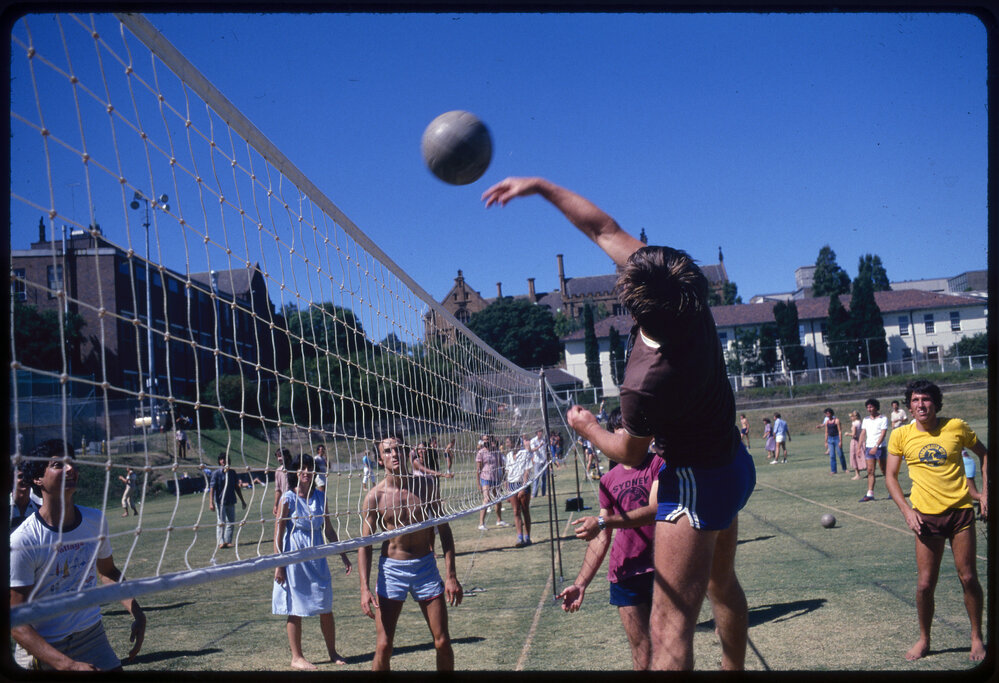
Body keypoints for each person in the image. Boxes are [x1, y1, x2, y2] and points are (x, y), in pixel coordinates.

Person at [484, 176, 755, 671]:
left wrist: (585, 426)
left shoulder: (644, 380)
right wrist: (541, 187)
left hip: (694, 482)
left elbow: (630, 453)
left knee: (668, 630)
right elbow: (603, 227)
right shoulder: (687, 292)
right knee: (721, 583)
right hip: (734, 463)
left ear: (632, 306)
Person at [10, 440, 146, 671]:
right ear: (37, 479)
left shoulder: (94, 520)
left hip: (91, 635)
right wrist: (68, 665)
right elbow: (16, 622)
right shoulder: (24, 540)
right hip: (44, 646)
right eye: (57, 464)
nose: (70, 468)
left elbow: (108, 572)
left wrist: (137, 612)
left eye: (71, 463)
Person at [884, 379, 988, 662]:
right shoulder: (900, 435)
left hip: (960, 514)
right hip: (925, 518)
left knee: (968, 577)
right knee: (924, 585)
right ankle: (924, 639)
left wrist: (986, 493)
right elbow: (890, 477)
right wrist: (907, 511)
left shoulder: (956, 426)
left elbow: (985, 454)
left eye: (926, 399)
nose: (921, 405)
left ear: (936, 403)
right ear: (908, 406)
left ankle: (976, 637)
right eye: (915, 400)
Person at [557, 409, 666, 670]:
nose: (622, 437)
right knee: (642, 650)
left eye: (628, 431)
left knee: (668, 646)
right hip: (625, 573)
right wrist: (580, 584)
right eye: (617, 431)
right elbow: (601, 536)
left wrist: (604, 521)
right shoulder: (607, 480)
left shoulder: (658, 464)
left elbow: (654, 511)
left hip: (661, 569)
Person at [358, 436, 463, 671]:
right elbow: (365, 545)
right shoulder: (375, 496)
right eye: (387, 451)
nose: (393, 454)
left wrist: (451, 575)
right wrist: (364, 588)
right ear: (380, 458)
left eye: (397, 449)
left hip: (424, 567)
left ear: (406, 452)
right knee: (384, 646)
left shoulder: (425, 486)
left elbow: (444, 530)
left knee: (443, 641)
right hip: (392, 570)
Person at [273, 452, 352, 670]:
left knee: (325, 606)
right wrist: (279, 565)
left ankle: (332, 652)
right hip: (295, 559)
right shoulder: (287, 498)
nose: (306, 472)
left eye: (309, 468)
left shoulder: (320, 497)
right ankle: (297, 657)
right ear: (294, 472)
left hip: (317, 559)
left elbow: (329, 529)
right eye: (302, 468)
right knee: (295, 608)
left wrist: (343, 555)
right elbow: (278, 534)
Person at [209, 452, 247, 548]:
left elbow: (236, 488)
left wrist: (242, 500)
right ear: (219, 461)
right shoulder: (216, 473)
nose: (224, 461)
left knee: (231, 522)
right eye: (222, 459)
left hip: (231, 501)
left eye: (225, 459)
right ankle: (220, 542)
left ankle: (228, 541)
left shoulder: (233, 473)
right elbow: (212, 488)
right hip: (220, 502)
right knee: (221, 522)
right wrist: (211, 502)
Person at [503, 435, 534, 547]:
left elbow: (527, 471)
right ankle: (519, 537)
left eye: (508, 442)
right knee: (516, 511)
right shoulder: (508, 456)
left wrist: (523, 487)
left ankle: (527, 537)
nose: (506, 444)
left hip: (522, 484)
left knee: (525, 510)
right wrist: (507, 490)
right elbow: (507, 474)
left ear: (514, 443)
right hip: (512, 485)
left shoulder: (524, 453)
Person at [858, 398, 888, 502]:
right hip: (869, 448)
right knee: (870, 471)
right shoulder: (866, 420)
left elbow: (883, 433)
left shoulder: (883, 418)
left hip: (880, 448)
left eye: (871, 407)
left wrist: (876, 446)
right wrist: (859, 447)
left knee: (885, 471)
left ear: (876, 407)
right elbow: (863, 433)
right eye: (867, 407)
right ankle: (870, 494)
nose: (869, 409)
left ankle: (892, 492)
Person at [475, 436, 508, 530]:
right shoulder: (481, 452)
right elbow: (478, 470)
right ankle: (481, 523)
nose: (486, 441)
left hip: (496, 478)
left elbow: (502, 466)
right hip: (485, 478)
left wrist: (504, 480)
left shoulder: (497, 452)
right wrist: (478, 484)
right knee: (486, 499)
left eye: (487, 439)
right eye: (484, 440)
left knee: (498, 498)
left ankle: (499, 520)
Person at [10, 461, 42, 530]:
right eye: (20, 476)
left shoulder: (40, 511)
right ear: (12, 480)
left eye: (27, 476)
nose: (24, 479)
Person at [816, 408, 847, 474]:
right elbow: (826, 432)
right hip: (830, 439)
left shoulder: (836, 420)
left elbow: (840, 431)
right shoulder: (827, 422)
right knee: (832, 456)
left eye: (828, 413)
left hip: (837, 439)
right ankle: (833, 470)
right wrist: (825, 442)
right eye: (826, 413)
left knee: (840, 454)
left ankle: (845, 469)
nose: (827, 415)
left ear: (831, 413)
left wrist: (840, 441)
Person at [529, 428, 549, 498]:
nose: (540, 433)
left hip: (544, 460)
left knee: (544, 478)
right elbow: (532, 450)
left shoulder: (544, 439)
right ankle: (534, 494)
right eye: (539, 432)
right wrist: (539, 446)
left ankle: (543, 493)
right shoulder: (533, 441)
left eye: (541, 432)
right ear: (536, 433)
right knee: (536, 478)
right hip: (537, 461)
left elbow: (546, 449)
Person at [273, 448, 291, 517]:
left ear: (287, 456)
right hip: (285, 501)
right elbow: (278, 490)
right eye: (277, 456)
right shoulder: (278, 471)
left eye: (280, 456)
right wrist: (276, 505)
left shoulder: (295, 468)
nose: (279, 459)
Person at [847, 410, 865, 480]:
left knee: (854, 457)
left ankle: (857, 474)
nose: (850, 418)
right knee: (860, 456)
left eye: (852, 416)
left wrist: (847, 434)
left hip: (855, 441)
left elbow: (853, 434)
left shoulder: (855, 424)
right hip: (860, 440)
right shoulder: (860, 422)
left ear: (855, 417)